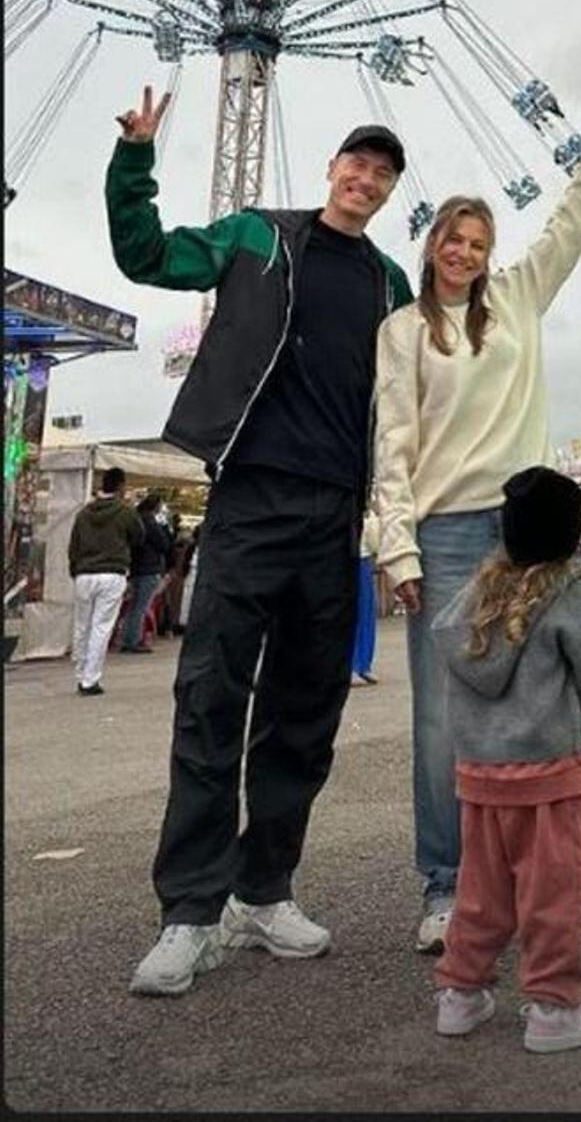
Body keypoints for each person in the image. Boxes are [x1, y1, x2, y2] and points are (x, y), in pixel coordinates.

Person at [104, 84, 413, 998]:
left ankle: (263, 888)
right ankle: (189, 912)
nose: (367, 178)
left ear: (390, 193)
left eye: (384, 172)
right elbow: (147, 256)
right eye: (357, 162)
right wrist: (135, 162)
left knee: (307, 711)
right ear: (332, 170)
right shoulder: (256, 235)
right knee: (210, 700)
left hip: (335, 516)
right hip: (248, 500)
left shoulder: (390, 282)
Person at [375, 100, 581, 954]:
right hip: (443, 533)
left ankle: (566, 889)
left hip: (526, 529)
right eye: (454, 238)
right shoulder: (402, 331)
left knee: (561, 710)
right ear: (433, 244)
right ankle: (449, 887)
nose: (466, 253)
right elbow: (394, 440)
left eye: (479, 243)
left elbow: (566, 235)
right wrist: (396, 544)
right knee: (444, 720)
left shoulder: (518, 299)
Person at [429, 465, 581, 1053]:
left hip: (479, 773)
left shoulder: (474, 593)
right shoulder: (568, 595)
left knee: (481, 891)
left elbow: (446, 642)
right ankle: (552, 1008)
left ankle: (461, 993)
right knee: (554, 894)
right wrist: (578, 711)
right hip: (549, 772)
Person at [67, 466, 144, 696]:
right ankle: (90, 679)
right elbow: (139, 537)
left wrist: (76, 570)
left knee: (82, 624)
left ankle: (80, 671)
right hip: (112, 572)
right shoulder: (125, 511)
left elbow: (74, 546)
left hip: (84, 573)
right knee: (101, 626)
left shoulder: (83, 513)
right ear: (120, 486)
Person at [120, 492, 174, 654]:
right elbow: (164, 544)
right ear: (156, 506)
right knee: (141, 606)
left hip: (136, 567)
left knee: (133, 606)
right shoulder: (151, 522)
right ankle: (134, 640)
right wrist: (164, 527)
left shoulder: (136, 519)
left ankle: (126, 638)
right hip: (149, 567)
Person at [351, 505, 381, 686]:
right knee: (353, 616)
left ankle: (364, 665)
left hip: (365, 559)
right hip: (351, 558)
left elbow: (375, 542)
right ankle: (351, 667)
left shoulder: (369, 511)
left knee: (367, 615)